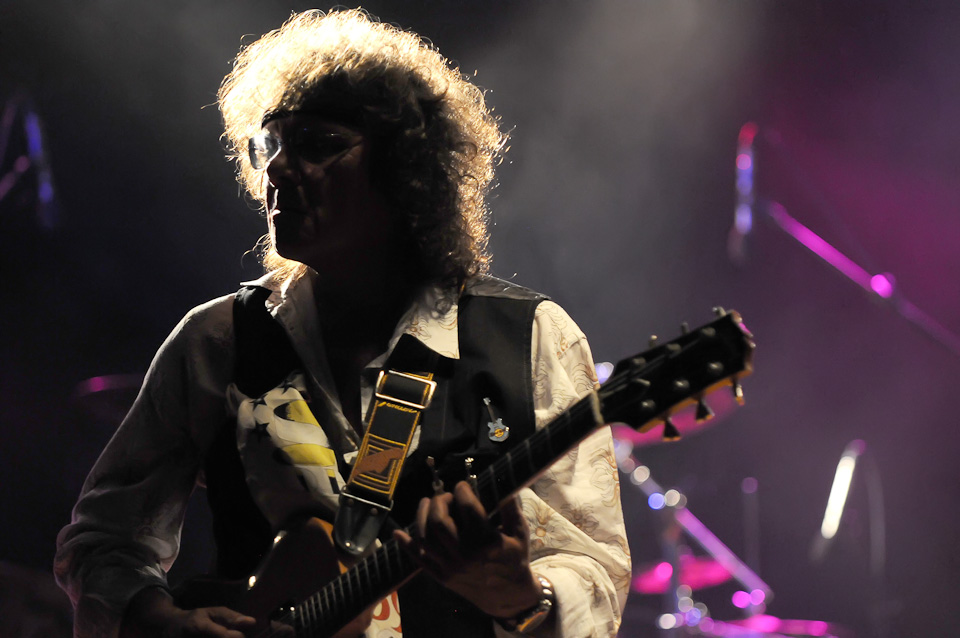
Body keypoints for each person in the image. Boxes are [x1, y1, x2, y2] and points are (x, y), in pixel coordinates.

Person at [55, 9, 630, 638]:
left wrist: (522, 595)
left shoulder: (531, 337)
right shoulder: (217, 340)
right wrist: (155, 618)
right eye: (268, 146)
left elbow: (595, 568)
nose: (277, 170)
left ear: (408, 167)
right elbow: (104, 538)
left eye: (318, 144)